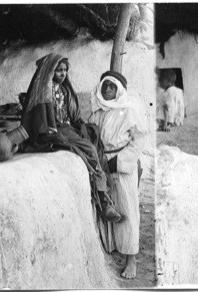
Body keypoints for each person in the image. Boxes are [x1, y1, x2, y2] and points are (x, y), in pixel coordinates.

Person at [19, 53, 121, 223]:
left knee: (93, 137)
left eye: (65, 70)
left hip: (69, 127)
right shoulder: (44, 90)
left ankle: (104, 191)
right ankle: (102, 198)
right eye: (58, 70)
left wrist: (78, 125)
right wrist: (50, 131)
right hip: (55, 128)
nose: (63, 74)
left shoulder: (65, 89)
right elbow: (39, 119)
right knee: (87, 149)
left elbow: (73, 114)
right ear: (50, 72)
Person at [89, 71, 147, 279]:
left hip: (122, 164)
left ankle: (131, 259)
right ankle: (114, 247)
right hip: (102, 164)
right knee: (107, 206)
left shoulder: (128, 111)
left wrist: (120, 161)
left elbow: (139, 139)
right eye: (104, 86)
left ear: (119, 90)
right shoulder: (97, 112)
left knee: (126, 208)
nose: (107, 90)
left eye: (111, 87)